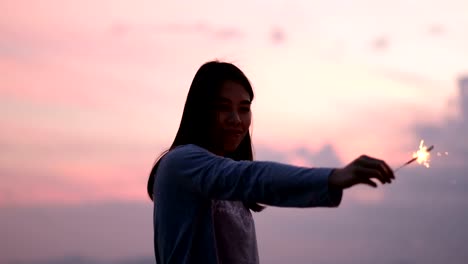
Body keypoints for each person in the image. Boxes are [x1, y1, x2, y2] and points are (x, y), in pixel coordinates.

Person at [147, 60, 395, 264]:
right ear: (200, 111)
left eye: (244, 109)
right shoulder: (180, 163)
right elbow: (252, 177)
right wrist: (332, 177)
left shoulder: (230, 186)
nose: (236, 119)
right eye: (223, 107)